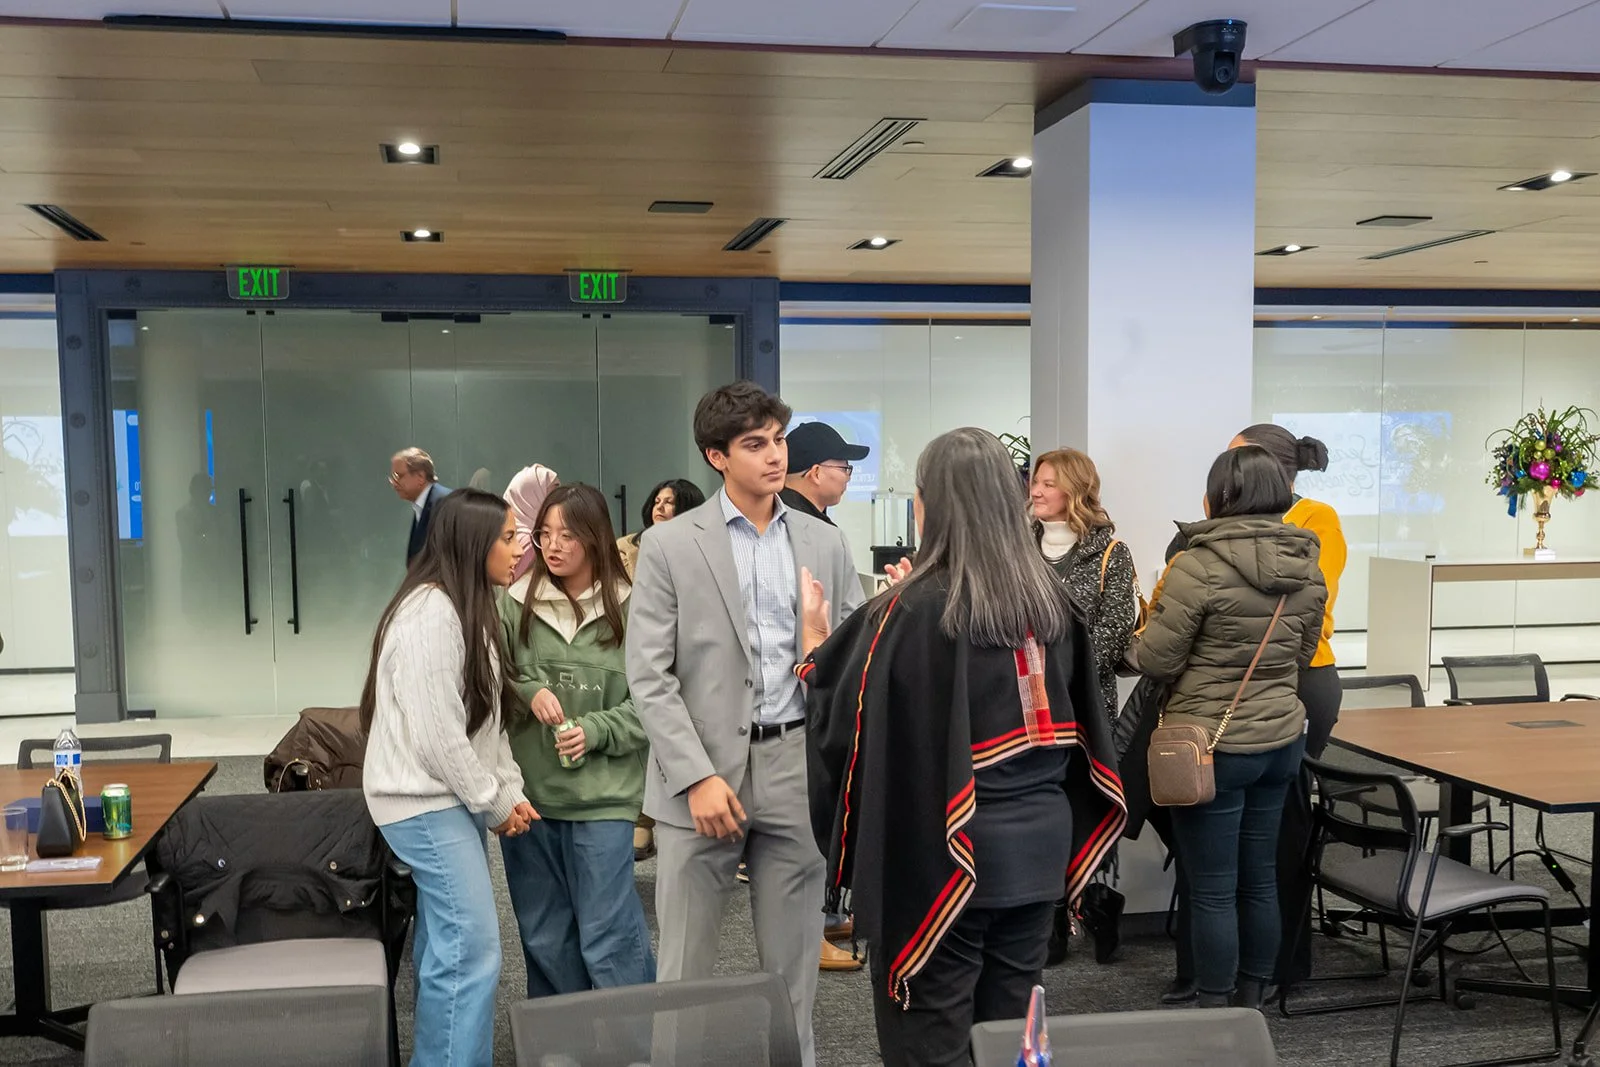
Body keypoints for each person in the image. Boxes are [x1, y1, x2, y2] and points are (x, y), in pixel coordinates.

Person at [797, 427, 1127, 1067]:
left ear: (930, 505)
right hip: (1039, 850)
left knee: (932, 1038)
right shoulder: (1052, 600)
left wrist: (814, 641)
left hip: (947, 857)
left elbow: (848, 722)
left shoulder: (911, 611)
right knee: (1006, 1036)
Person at [625, 381, 864, 1067]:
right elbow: (648, 673)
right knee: (684, 976)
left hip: (794, 764)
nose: (774, 455)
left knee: (792, 978)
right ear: (717, 456)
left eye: (778, 441)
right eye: (755, 444)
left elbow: (853, 660)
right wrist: (695, 776)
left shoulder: (823, 541)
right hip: (698, 774)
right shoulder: (670, 544)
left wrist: (822, 643)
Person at [1130, 445, 1326, 1011]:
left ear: (1219, 496)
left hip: (1211, 745)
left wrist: (1133, 643)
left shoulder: (1197, 566)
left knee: (1213, 888)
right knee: (1260, 878)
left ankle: (1215, 1007)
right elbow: (1303, 655)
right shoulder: (1307, 564)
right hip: (1280, 740)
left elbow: (1158, 660)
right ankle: (1253, 997)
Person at [359, 488, 538, 1067]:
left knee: (449, 946)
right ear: (473, 544)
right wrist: (493, 802)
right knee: (472, 948)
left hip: (444, 798)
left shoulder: (470, 605)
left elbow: (486, 723)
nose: (521, 547)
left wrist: (508, 792)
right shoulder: (430, 614)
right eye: (508, 538)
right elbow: (439, 740)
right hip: (420, 802)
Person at [498, 483, 655, 996]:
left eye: (567, 534)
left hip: (604, 798)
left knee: (609, 937)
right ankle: (559, 1038)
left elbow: (655, 703)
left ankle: (630, 1038)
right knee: (544, 936)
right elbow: (490, 685)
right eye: (544, 534)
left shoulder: (634, 606)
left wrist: (594, 730)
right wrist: (528, 692)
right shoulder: (512, 604)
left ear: (595, 536)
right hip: (530, 800)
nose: (553, 545)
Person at [613, 476, 705, 863]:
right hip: (626, 648)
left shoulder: (699, 549)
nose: (661, 508)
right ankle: (640, 820)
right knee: (635, 733)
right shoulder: (624, 549)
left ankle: (658, 820)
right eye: (658, 501)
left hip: (682, 655)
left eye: (671, 503)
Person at [1030, 448, 1139, 725]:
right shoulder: (1018, 550)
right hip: (1024, 701)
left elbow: (1114, 631)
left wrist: (1063, 674)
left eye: (1048, 485)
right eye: (1035, 482)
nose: (1036, 492)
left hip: (1085, 705)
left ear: (1074, 491)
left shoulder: (1111, 553)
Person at [781, 420, 870, 523]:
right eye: (844, 469)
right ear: (816, 473)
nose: (848, 478)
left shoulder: (782, 517)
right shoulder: (798, 526)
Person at [617, 478, 704, 580]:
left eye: (669, 502)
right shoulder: (627, 548)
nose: (659, 507)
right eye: (657, 502)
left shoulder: (703, 552)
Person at [391, 447, 451, 564]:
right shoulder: (423, 505)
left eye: (399, 476)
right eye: (393, 477)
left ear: (420, 477)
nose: (394, 483)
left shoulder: (445, 505)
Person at [504, 463, 559, 582]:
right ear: (530, 499)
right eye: (551, 497)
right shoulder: (531, 545)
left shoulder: (504, 536)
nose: (559, 504)